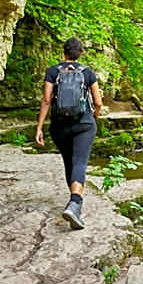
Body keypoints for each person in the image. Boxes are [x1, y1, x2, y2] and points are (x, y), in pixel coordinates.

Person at [35, 37, 103, 230]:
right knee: (80, 162)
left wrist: (39, 127)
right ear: (80, 53)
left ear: (64, 53)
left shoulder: (52, 71)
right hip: (84, 124)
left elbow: (47, 100)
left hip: (59, 126)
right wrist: (93, 117)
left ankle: (74, 204)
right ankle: (74, 204)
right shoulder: (87, 72)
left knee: (69, 162)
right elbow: (98, 102)